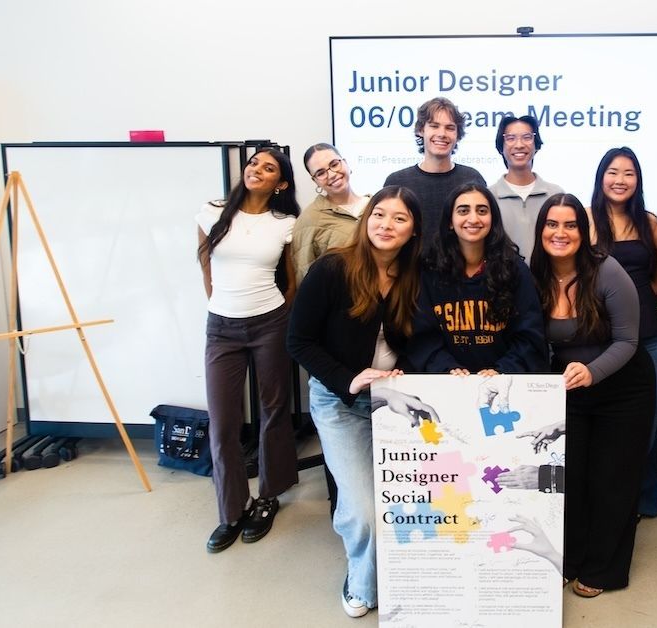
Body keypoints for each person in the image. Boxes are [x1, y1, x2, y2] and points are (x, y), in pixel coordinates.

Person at [286, 186, 423, 618]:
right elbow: (298, 341)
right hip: (338, 401)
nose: (386, 225)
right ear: (366, 220)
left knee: (405, 498)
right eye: (379, 214)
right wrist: (349, 380)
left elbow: (421, 339)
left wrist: (408, 371)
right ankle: (361, 583)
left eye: (399, 218)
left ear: (413, 228)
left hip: (392, 400)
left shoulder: (416, 276)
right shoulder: (333, 269)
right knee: (364, 509)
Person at [529, 193, 654, 598]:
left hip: (622, 387)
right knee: (570, 480)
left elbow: (627, 341)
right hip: (570, 390)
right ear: (541, 230)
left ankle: (603, 569)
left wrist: (592, 371)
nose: (560, 233)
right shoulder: (535, 274)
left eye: (570, 225)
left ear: (583, 233)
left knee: (611, 481)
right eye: (552, 224)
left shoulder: (607, 271)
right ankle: (570, 558)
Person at [196, 147, 301, 553]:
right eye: (254, 163)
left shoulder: (286, 222)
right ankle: (231, 510)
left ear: (282, 183)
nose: (257, 170)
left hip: (269, 322)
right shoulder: (211, 211)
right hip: (221, 327)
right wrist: (218, 306)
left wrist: (275, 314)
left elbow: (290, 281)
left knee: (274, 411)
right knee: (223, 422)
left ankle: (268, 497)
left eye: (269, 168)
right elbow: (205, 265)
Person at [585, 146, 657, 519]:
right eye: (613, 172)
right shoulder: (587, 219)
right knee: (607, 422)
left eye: (629, 174)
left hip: (648, 335)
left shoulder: (649, 222)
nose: (620, 181)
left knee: (647, 424)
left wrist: (647, 294)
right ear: (601, 177)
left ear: (638, 181)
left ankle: (642, 501)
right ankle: (607, 497)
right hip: (601, 338)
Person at [409, 183, 547, 376]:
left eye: (482, 211)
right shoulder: (430, 271)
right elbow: (422, 338)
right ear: (450, 221)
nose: (473, 218)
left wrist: (503, 370)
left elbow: (530, 336)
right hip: (447, 386)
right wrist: (447, 368)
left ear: (493, 219)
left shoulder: (515, 270)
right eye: (463, 211)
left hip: (505, 386)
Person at [383, 97, 486, 246]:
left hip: (460, 268)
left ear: (458, 135)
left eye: (450, 128)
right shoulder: (397, 182)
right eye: (434, 126)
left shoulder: (472, 179)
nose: (442, 134)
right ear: (421, 130)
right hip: (410, 268)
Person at [291, 143, 370, 288]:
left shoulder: (375, 206)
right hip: (340, 305)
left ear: (345, 163)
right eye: (321, 173)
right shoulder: (309, 220)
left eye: (334, 164)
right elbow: (305, 280)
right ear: (314, 180)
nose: (332, 174)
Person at [488, 114, 563, 257]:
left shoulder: (555, 195)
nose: (519, 145)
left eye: (527, 137)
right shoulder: (489, 197)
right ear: (500, 147)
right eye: (510, 138)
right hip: (504, 277)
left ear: (536, 145)